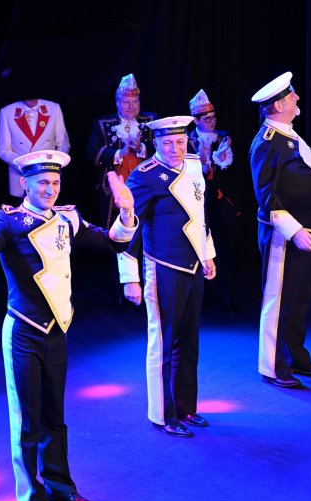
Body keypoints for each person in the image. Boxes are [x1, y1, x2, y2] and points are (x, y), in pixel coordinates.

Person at [0, 150, 136, 501]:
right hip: (23, 331)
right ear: (25, 184)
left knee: (55, 416)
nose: (51, 189)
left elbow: (112, 243)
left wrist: (127, 211)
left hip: (58, 331)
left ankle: (60, 486)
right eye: (42, 183)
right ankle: (29, 497)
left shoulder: (67, 218)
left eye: (55, 182)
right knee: (28, 420)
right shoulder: (8, 221)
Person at [115, 115, 216, 438]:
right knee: (163, 342)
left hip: (193, 265)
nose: (175, 148)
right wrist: (130, 277)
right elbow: (129, 228)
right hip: (163, 266)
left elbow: (200, 215)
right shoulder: (144, 176)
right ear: (156, 143)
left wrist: (208, 254)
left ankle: (185, 407)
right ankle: (162, 413)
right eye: (168, 143)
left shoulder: (193, 166)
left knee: (189, 342)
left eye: (180, 142)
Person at [249, 71, 311, 388]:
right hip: (285, 235)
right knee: (278, 301)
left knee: (298, 300)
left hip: (307, 230)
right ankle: (272, 367)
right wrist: (294, 230)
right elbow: (266, 196)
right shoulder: (267, 143)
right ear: (278, 105)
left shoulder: (286, 134)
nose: (297, 97)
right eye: (292, 95)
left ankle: (295, 357)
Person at [188, 89, 240, 313]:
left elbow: (228, 166)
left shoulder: (223, 138)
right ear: (196, 120)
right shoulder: (187, 141)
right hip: (198, 201)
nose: (212, 122)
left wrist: (219, 160)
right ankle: (202, 296)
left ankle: (227, 294)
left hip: (219, 199)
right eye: (207, 119)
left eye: (214, 117)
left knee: (225, 246)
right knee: (200, 246)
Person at [87, 73, 157, 229]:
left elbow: (161, 151)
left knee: (145, 230)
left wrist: (141, 148)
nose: (132, 107)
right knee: (117, 233)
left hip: (145, 189)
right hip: (114, 193)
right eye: (126, 102)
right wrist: (120, 153)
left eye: (135, 102)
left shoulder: (151, 121)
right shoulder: (102, 123)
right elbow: (92, 153)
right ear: (117, 102)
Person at [0, 97, 70, 199]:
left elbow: (63, 142)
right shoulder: (7, 112)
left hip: (49, 177)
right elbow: (3, 150)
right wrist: (26, 165)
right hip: (21, 178)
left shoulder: (54, 108)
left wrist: (55, 165)